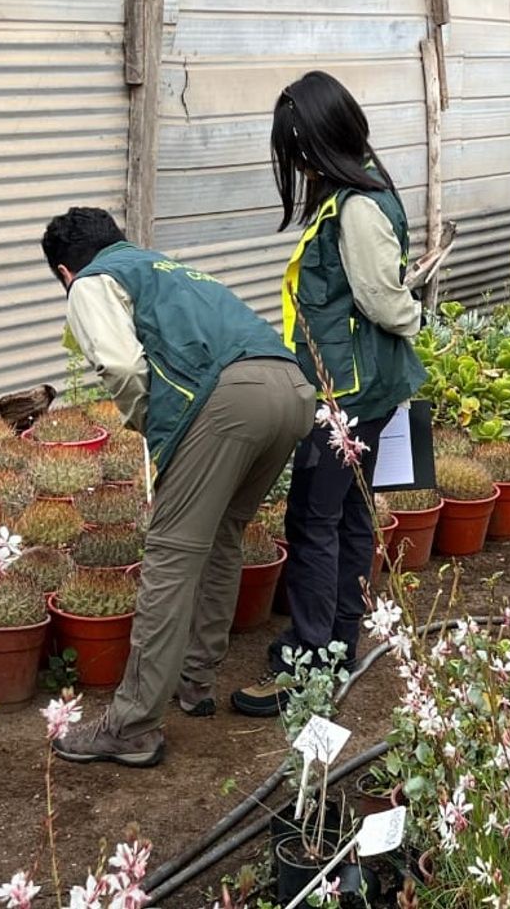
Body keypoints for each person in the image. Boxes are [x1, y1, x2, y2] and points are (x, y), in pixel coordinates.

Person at [42, 207, 315, 767]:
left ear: (66, 272)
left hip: (230, 403)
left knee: (169, 556)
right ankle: (195, 682)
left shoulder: (91, 281)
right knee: (221, 537)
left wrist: (151, 418)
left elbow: (119, 365)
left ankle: (132, 725)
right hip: (291, 389)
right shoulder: (164, 267)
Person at [231, 71, 426, 718]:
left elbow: (380, 298)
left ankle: (312, 658)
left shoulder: (359, 207)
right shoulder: (356, 188)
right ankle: (337, 637)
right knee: (344, 517)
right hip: (360, 388)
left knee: (313, 521)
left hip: (347, 395)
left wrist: (413, 317)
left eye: (301, 147)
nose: (298, 162)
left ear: (325, 139)